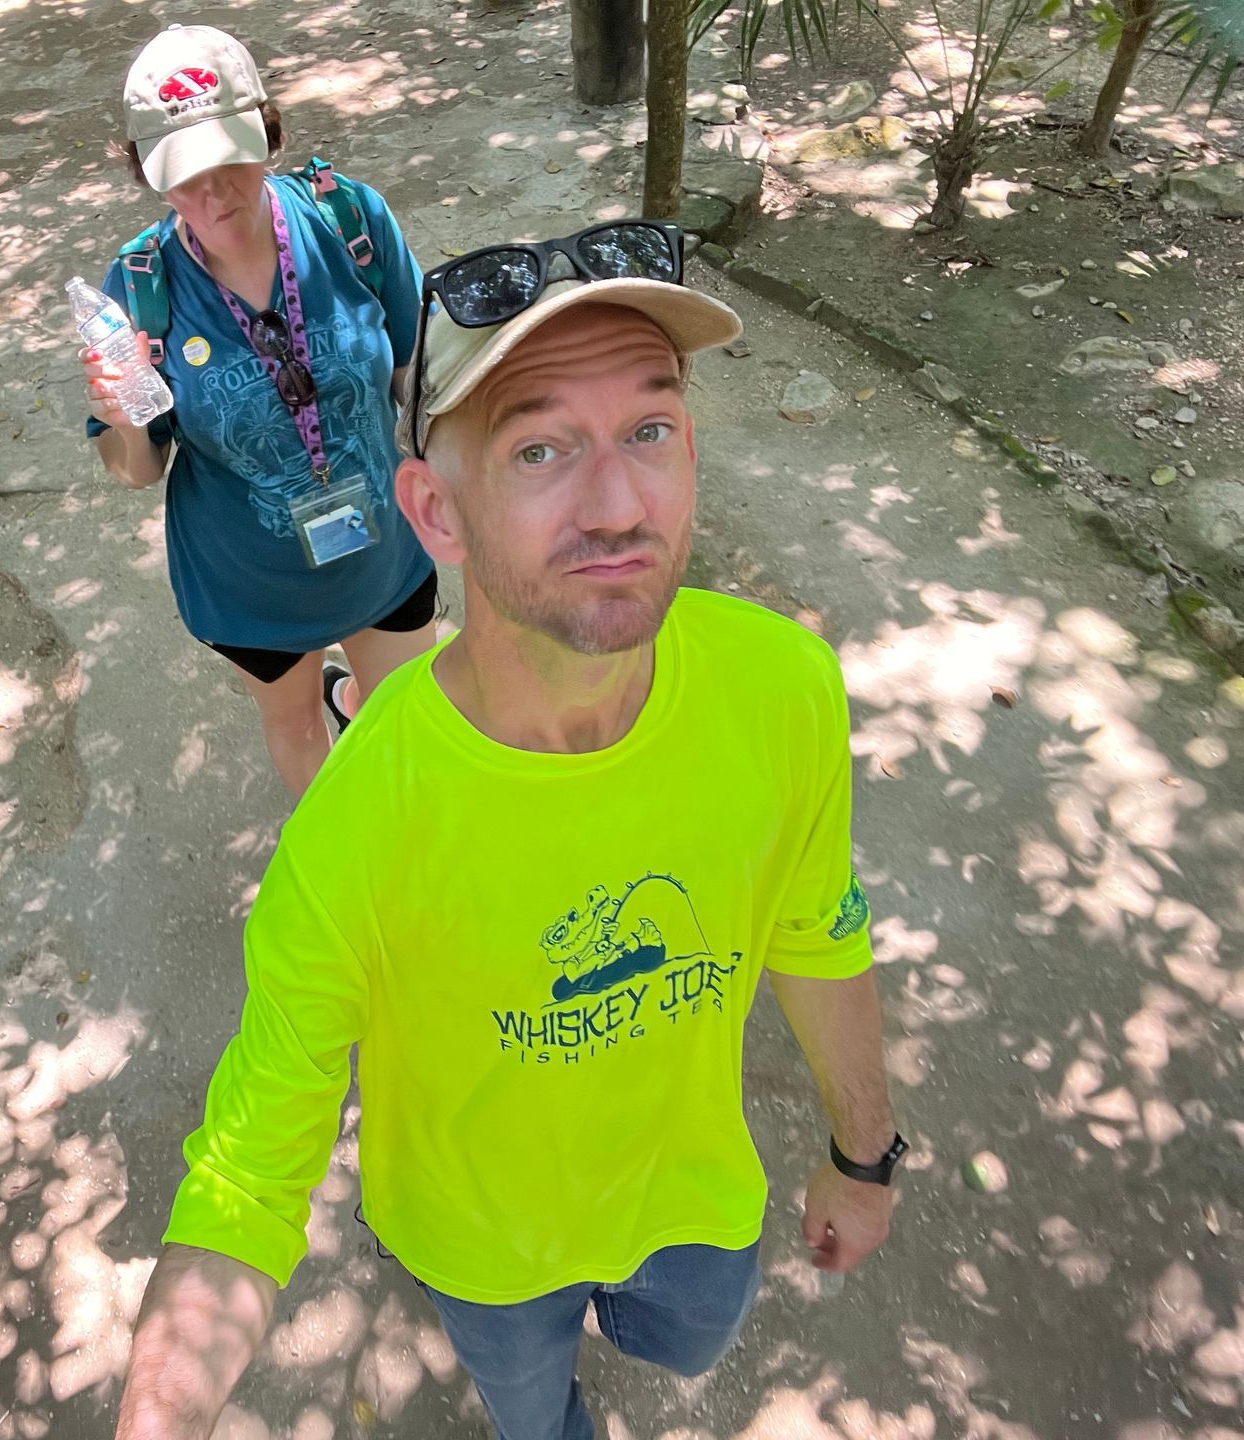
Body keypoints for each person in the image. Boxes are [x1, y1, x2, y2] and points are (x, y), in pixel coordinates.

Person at [112, 225, 906, 1440]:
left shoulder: (781, 688)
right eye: (539, 447)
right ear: (435, 510)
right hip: (479, 1250)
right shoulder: (360, 824)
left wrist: (864, 1157)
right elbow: (248, 1176)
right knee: (538, 1418)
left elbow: (815, 932)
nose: (620, 503)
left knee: (689, 1336)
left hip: (697, 1203)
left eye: (649, 430)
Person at [82, 24, 438, 798]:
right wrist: (121, 412)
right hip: (251, 588)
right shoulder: (141, 287)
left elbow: (418, 379)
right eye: (182, 172)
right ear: (147, 171)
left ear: (267, 133)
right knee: (298, 730)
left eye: (228, 159)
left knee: (410, 723)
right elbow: (137, 472)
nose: (212, 193)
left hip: (386, 549)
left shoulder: (349, 220)